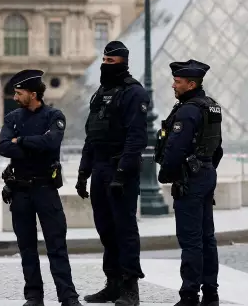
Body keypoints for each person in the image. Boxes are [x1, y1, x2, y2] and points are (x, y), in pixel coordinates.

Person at [0, 69, 82, 306]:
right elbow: (4, 147)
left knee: (57, 246)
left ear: (33, 94)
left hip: (45, 189)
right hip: (20, 190)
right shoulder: (12, 118)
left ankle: (68, 296)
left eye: (19, 93)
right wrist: (37, 145)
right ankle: (34, 297)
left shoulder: (54, 115)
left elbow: (52, 141)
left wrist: (22, 141)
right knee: (27, 248)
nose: (14, 97)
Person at [75, 41, 150, 306]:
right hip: (100, 167)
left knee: (125, 229)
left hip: (121, 169)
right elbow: (91, 135)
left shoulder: (134, 93)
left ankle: (130, 288)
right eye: (104, 61)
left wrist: (121, 173)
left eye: (111, 62)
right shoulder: (100, 93)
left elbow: (136, 137)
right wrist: (83, 172)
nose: (105, 66)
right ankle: (113, 283)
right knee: (106, 229)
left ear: (123, 63)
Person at [155, 59, 223, 306]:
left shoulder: (187, 111)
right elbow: (218, 149)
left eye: (178, 81)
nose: (173, 85)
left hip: (190, 179)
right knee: (207, 238)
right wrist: (206, 169)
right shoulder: (212, 107)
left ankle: (189, 295)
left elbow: (175, 149)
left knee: (191, 240)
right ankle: (211, 293)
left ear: (191, 84)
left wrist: (166, 174)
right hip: (206, 174)